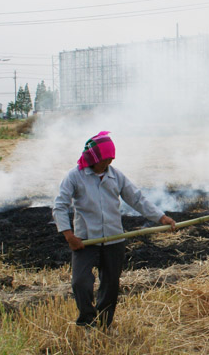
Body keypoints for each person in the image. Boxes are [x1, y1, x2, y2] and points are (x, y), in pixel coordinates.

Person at [52, 131, 177, 329]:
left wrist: (160, 217)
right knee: (80, 283)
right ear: (94, 158)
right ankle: (87, 322)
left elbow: (136, 198)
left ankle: (104, 325)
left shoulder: (115, 175)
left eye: (111, 159)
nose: (109, 162)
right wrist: (69, 235)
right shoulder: (74, 177)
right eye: (106, 159)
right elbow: (60, 206)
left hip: (114, 240)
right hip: (85, 241)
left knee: (110, 286)